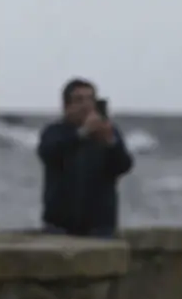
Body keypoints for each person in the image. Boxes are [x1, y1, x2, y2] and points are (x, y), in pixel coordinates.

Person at [37, 78, 134, 238]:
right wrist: (82, 133)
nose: (86, 105)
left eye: (90, 99)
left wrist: (110, 143)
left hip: (100, 227)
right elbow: (49, 153)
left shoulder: (108, 132)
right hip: (60, 227)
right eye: (79, 100)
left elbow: (124, 166)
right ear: (66, 106)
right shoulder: (54, 132)